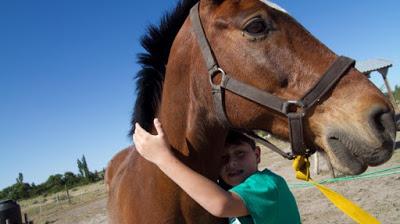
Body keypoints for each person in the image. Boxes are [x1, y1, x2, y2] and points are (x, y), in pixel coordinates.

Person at [133, 118, 301, 224]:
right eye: (223, 158)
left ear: (257, 155)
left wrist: (162, 158)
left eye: (240, 153)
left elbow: (221, 205)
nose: (232, 163)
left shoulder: (268, 184)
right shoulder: (230, 190)